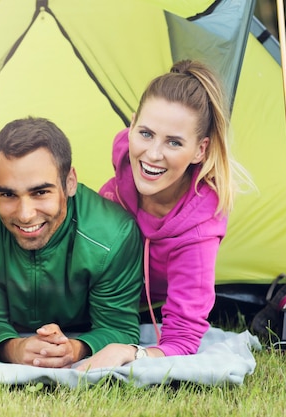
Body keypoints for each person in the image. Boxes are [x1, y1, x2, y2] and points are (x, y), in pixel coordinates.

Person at [76, 60, 252, 370]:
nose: (153, 154)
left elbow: (181, 340)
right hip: (76, 287)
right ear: (132, 126)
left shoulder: (197, 232)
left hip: (121, 310)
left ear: (200, 150)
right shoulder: (126, 160)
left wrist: (132, 353)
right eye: (145, 133)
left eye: (173, 142)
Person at [0, 116, 143, 368]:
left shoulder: (114, 236)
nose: (25, 214)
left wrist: (75, 349)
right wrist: (13, 348)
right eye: (8, 194)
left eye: (40, 192)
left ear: (69, 182)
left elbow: (118, 327)